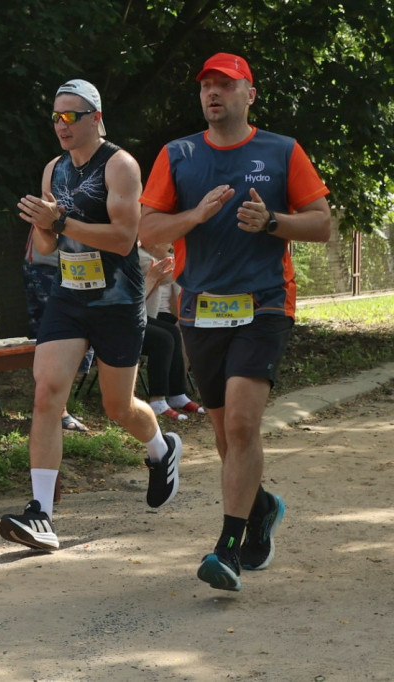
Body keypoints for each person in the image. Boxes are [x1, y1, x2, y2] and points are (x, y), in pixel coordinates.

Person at [138, 53, 331, 591]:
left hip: (265, 303)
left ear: (250, 93)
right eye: (206, 85)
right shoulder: (177, 154)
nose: (212, 93)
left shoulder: (281, 151)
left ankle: (226, 550)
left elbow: (321, 225)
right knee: (227, 438)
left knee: (244, 425)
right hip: (200, 309)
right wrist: (194, 216)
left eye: (225, 84)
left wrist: (272, 221)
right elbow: (146, 228)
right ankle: (262, 505)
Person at [0, 79, 182, 552]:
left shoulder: (119, 166)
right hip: (69, 298)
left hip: (117, 301)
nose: (61, 125)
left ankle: (161, 450)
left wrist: (60, 221)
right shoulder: (53, 170)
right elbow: (45, 247)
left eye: (71, 116)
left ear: (96, 119)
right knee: (47, 393)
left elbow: (125, 238)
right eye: (56, 117)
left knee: (117, 407)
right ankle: (41, 514)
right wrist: (43, 228)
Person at [23, 234, 92, 434]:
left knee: (72, 338)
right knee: (59, 339)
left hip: (73, 268)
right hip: (49, 268)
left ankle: (56, 409)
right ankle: (56, 411)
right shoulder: (55, 201)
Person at [138, 242, 204, 420]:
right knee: (163, 338)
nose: (170, 245)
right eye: (166, 242)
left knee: (172, 333)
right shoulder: (143, 258)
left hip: (138, 316)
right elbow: (172, 276)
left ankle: (177, 394)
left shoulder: (152, 257)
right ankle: (157, 399)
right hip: (120, 319)